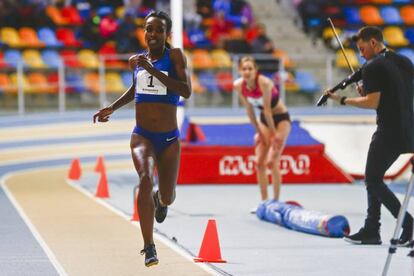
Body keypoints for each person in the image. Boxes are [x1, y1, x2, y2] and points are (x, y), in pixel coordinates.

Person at [93, 11, 191, 266]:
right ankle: (149, 246)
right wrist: (112, 108)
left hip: (169, 140)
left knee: (168, 196)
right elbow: (137, 88)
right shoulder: (136, 61)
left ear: (167, 34)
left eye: (158, 30)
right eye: (149, 29)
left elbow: (186, 91)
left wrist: (153, 71)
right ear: (144, 32)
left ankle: (161, 200)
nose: (153, 34)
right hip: (142, 136)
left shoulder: (176, 57)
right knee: (145, 179)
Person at [324, 26, 414, 246]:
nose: (361, 54)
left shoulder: (373, 66)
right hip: (408, 126)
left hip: (389, 128)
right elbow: (399, 93)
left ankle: (406, 223)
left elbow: (375, 102)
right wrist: (372, 91)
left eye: (362, 49)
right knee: (374, 176)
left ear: (373, 43)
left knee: (372, 179)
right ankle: (372, 229)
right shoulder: (403, 61)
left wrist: (343, 99)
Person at [233, 56, 291, 210]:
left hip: (281, 119)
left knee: (272, 161)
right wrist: (258, 131)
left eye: (250, 68)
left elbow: (267, 110)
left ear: (256, 71)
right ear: (240, 71)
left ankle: (276, 201)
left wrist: (273, 136)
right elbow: (249, 110)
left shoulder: (264, 83)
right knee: (259, 162)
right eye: (244, 69)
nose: (247, 71)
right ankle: (264, 202)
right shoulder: (239, 86)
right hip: (264, 120)